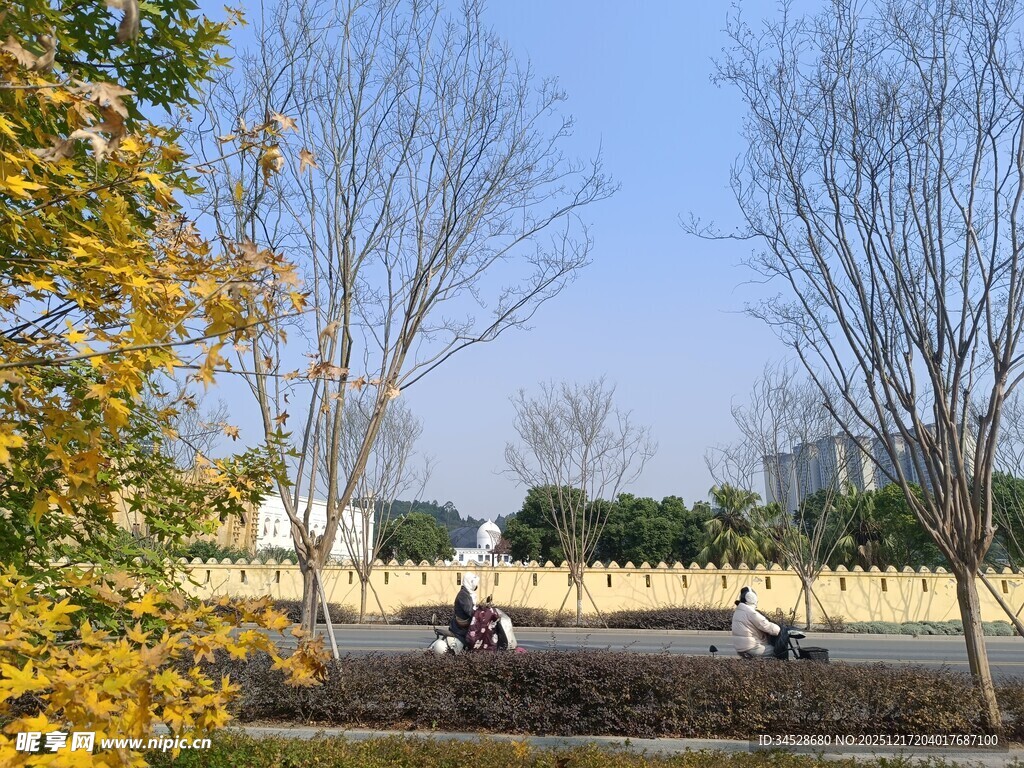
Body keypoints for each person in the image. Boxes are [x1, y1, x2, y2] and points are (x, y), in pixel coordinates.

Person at [731, 586, 788, 659]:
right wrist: (779, 629)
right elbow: (766, 626)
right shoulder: (750, 612)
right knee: (779, 651)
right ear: (752, 598)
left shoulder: (739, 610)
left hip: (741, 648)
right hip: (752, 648)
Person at [449, 571, 479, 643]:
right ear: (469, 582)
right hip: (460, 627)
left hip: (466, 625)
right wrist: (479, 615)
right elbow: (469, 611)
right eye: (473, 583)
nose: (475, 586)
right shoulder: (463, 595)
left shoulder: (468, 594)